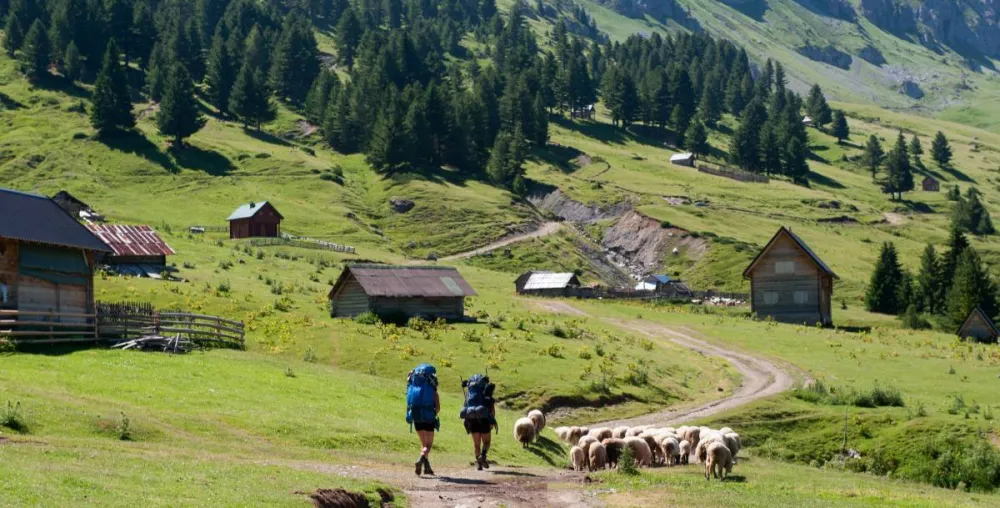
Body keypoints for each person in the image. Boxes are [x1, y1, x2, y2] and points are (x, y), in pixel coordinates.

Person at [406, 363, 440, 476]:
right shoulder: (433, 390)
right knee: (428, 445)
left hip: (416, 416)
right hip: (428, 416)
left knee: (423, 443)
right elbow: (438, 408)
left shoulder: (414, 386)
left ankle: (427, 468)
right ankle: (420, 459)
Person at [460, 374, 497, 470]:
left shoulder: (469, 394)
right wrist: (492, 421)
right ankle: (483, 456)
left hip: (472, 418)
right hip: (484, 418)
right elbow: (491, 408)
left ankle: (479, 464)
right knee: (487, 442)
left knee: (476, 444)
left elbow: (465, 406)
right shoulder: (486, 393)